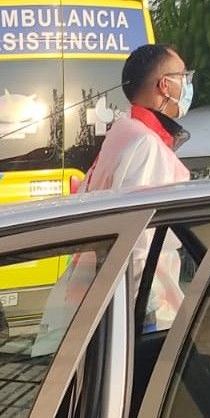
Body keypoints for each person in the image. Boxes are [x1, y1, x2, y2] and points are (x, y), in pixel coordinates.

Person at [82, 43, 195, 330]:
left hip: (115, 296)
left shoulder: (124, 133)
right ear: (165, 85)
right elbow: (138, 238)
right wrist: (143, 308)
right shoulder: (146, 144)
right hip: (142, 303)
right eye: (184, 77)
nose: (188, 85)